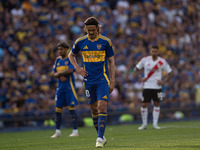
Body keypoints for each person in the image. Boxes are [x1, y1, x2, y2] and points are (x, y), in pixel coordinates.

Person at [68, 16, 115, 148]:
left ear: (98, 29)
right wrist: (77, 68)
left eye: (93, 30)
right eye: (88, 30)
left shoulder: (106, 42)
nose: (91, 33)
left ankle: (99, 138)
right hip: (88, 81)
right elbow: (70, 55)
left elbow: (111, 61)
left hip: (102, 80)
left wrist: (113, 80)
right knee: (94, 110)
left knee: (101, 107)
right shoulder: (80, 42)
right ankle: (101, 135)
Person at [133, 45, 172, 130]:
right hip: (147, 86)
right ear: (150, 52)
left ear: (158, 52)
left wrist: (163, 82)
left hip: (158, 87)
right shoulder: (145, 60)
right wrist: (140, 78)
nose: (154, 53)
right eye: (152, 51)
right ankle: (144, 124)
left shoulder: (162, 61)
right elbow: (136, 69)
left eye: (155, 51)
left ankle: (155, 124)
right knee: (144, 104)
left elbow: (170, 72)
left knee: (157, 103)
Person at [51, 42, 79, 138]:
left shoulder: (70, 59)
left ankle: (75, 131)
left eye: (61, 49)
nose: (59, 51)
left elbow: (71, 70)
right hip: (60, 89)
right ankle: (57, 132)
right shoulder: (58, 60)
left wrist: (59, 74)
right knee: (58, 110)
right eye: (58, 49)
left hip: (69, 88)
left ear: (67, 49)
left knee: (71, 109)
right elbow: (53, 73)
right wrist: (60, 75)